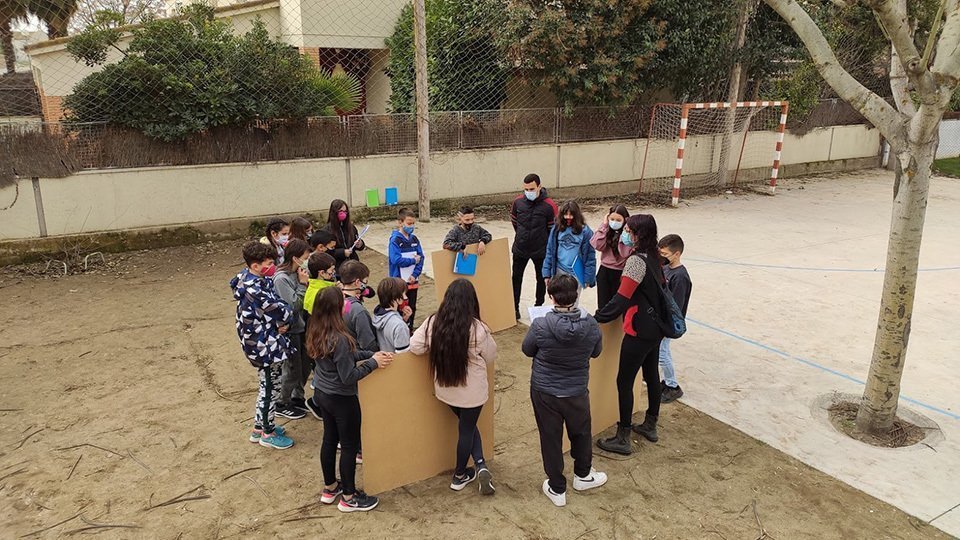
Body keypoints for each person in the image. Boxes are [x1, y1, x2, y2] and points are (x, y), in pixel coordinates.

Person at [521, 274, 607, 507]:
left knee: (550, 437)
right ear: (576, 296)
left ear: (551, 296)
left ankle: (557, 487)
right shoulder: (591, 325)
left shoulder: (540, 324)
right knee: (581, 432)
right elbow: (596, 352)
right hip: (576, 389)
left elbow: (527, 350)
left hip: (544, 390)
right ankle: (583, 474)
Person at [306, 286, 393, 512]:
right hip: (342, 399)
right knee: (349, 446)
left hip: (322, 393)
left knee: (329, 439)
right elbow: (348, 376)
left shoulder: (315, 329)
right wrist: (373, 364)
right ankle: (349, 496)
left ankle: (330, 487)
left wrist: (370, 355)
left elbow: (344, 357)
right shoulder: (340, 338)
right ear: (337, 309)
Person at [410, 279, 497, 496]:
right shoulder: (478, 328)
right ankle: (459, 475)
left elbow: (415, 346)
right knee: (467, 428)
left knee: (468, 426)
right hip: (473, 392)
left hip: (446, 388)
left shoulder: (434, 322)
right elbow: (490, 356)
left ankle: (480, 464)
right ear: (472, 301)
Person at [594, 214, 669, 455]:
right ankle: (650, 424)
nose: (624, 233)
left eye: (628, 230)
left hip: (639, 329)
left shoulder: (636, 261)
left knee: (624, 381)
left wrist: (597, 317)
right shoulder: (655, 256)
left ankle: (623, 436)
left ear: (638, 234)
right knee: (651, 374)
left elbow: (621, 298)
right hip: (656, 328)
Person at [230, 241, 294, 450]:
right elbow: (281, 310)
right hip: (265, 347)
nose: (272, 267)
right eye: (268, 264)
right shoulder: (255, 289)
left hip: (262, 341)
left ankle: (260, 426)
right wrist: (283, 321)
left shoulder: (249, 280)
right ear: (255, 266)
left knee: (267, 385)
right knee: (270, 389)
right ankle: (267, 432)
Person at [272, 239, 312, 419]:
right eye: (306, 257)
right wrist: (303, 285)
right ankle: (282, 402)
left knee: (305, 365)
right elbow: (293, 305)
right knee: (293, 367)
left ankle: (297, 397)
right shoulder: (282, 279)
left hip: (301, 325)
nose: (307, 260)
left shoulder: (298, 273)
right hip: (290, 329)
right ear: (295, 258)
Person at [511, 173, 558, 320]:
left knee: (541, 279)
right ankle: (514, 307)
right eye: (526, 189)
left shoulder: (549, 205)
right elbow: (514, 221)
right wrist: (522, 236)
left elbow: (552, 229)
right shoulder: (518, 202)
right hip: (520, 248)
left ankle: (538, 307)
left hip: (540, 250)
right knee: (516, 278)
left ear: (539, 186)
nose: (528, 192)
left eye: (531, 189)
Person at [657, 234, 692, 404]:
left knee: (662, 354)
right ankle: (666, 381)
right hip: (661, 319)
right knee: (662, 351)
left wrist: (666, 325)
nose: (662, 257)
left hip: (669, 322)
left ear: (677, 254)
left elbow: (675, 305)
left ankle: (672, 385)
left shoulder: (680, 277)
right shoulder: (666, 268)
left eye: (665, 254)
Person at [543, 200, 596, 300]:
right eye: (565, 214)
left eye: (571, 215)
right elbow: (550, 252)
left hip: (576, 273)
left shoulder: (586, 232)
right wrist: (547, 274)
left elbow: (590, 256)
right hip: (559, 271)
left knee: (572, 303)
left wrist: (588, 278)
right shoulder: (556, 229)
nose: (568, 217)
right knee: (558, 300)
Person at [388, 207, 424, 332]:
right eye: (409, 223)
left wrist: (415, 274)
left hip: (412, 281)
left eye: (413, 223)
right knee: (399, 307)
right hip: (399, 282)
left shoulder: (414, 239)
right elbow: (395, 260)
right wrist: (413, 261)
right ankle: (399, 330)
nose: (411, 226)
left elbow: (421, 258)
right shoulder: (395, 240)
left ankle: (410, 330)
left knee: (411, 306)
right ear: (400, 222)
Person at [590, 205, 632, 309]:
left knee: (618, 306)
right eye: (612, 219)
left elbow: (625, 253)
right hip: (605, 271)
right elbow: (596, 245)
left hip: (621, 272)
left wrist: (626, 231)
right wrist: (604, 226)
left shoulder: (628, 234)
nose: (614, 222)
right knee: (603, 305)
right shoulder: (606, 230)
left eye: (618, 220)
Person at [372, 277, 413, 353]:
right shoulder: (399, 325)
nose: (406, 297)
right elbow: (403, 355)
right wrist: (403, 324)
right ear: (397, 298)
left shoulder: (377, 316)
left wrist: (405, 319)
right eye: (404, 294)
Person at [322, 199, 365, 273]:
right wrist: (342, 252)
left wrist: (360, 244)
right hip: (338, 268)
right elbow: (325, 252)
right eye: (341, 211)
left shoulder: (351, 227)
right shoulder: (327, 230)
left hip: (353, 265)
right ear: (334, 212)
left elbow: (358, 243)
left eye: (345, 211)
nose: (343, 214)